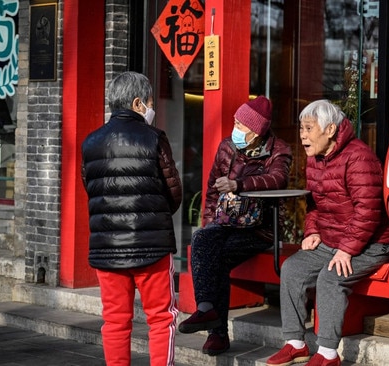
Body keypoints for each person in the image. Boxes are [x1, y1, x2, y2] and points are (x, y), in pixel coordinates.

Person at [266, 100, 389, 366]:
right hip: (334, 239)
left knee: (331, 276)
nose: (302, 134)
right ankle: (295, 343)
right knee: (292, 269)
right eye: (301, 128)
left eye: (308, 128)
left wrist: (347, 249)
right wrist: (312, 230)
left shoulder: (359, 156)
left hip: (372, 242)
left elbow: (368, 211)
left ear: (329, 129)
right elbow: (316, 203)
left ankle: (328, 353)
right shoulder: (315, 159)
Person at [81, 71, 182, 366]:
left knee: (114, 322)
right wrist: (153, 216)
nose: (153, 109)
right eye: (151, 102)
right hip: (151, 246)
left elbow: (91, 189)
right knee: (162, 319)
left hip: (107, 246)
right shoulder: (154, 138)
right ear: (138, 103)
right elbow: (173, 191)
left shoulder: (90, 142)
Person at [178, 95, 293, 356]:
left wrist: (239, 185)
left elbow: (278, 179)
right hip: (226, 223)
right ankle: (206, 309)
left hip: (260, 228)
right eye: (235, 122)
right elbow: (210, 191)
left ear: (255, 132)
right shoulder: (227, 147)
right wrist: (208, 225)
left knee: (214, 256)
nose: (235, 128)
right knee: (202, 240)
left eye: (241, 125)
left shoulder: (279, 150)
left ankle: (216, 331)